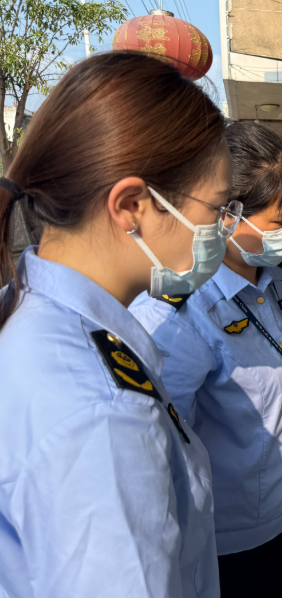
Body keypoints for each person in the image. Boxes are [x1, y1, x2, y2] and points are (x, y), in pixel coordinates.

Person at [0, 52, 239, 597]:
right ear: (132, 205)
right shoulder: (101, 412)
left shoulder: (32, 317)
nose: (221, 232)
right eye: (218, 209)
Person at [130, 122, 282, 598]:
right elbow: (164, 451)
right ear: (228, 215)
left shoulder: (270, 276)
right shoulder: (179, 309)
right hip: (227, 541)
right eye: (280, 222)